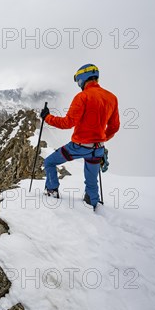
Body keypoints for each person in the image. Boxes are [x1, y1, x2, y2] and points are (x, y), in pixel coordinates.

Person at [40, 64, 120, 210]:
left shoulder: (82, 97)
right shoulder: (112, 98)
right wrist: (101, 139)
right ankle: (92, 204)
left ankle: (51, 190)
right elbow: (114, 127)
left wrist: (47, 117)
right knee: (91, 181)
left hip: (79, 147)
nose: (78, 84)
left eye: (78, 81)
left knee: (49, 162)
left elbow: (68, 122)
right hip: (98, 149)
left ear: (83, 78)